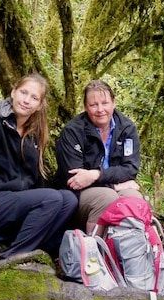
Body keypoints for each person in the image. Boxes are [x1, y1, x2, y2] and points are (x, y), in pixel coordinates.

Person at [0, 73, 78, 258]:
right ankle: (12, 257)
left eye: (34, 98)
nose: (27, 100)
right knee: (52, 198)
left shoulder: (32, 135)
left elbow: (34, 180)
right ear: (13, 92)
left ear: (39, 106)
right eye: (23, 93)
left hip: (17, 206)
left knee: (69, 200)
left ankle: (37, 248)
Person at [55, 79, 142, 234]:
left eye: (105, 103)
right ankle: (93, 252)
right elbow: (75, 180)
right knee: (106, 198)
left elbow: (130, 169)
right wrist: (115, 186)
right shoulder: (73, 131)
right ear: (85, 107)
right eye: (93, 105)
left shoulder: (126, 128)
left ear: (113, 103)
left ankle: (129, 253)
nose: (100, 109)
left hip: (107, 186)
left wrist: (96, 175)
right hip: (76, 196)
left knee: (134, 198)